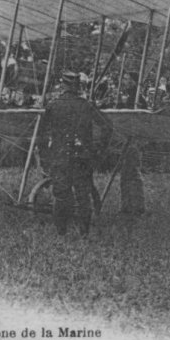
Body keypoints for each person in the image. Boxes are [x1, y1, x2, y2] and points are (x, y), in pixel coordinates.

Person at [38, 71, 112, 236]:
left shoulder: (53, 105)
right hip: (82, 157)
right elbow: (107, 127)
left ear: (62, 85)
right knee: (83, 195)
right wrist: (98, 150)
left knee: (61, 195)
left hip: (59, 156)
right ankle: (84, 233)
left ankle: (61, 232)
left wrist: (45, 157)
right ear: (77, 87)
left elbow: (41, 135)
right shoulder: (86, 105)